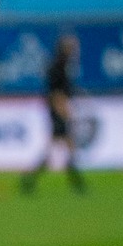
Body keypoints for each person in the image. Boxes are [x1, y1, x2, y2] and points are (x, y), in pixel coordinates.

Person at [21, 34, 85, 195]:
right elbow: (56, 93)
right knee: (64, 146)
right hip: (57, 111)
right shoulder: (59, 66)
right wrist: (63, 111)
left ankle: (31, 180)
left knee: (60, 146)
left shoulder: (60, 65)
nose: (74, 50)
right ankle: (76, 182)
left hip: (56, 110)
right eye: (72, 47)